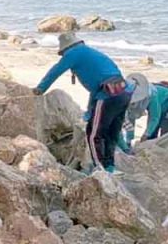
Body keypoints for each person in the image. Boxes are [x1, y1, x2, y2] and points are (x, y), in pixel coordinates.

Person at [33, 33, 132, 173]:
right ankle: (110, 166)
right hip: (124, 92)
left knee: (93, 134)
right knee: (112, 132)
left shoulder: (72, 53)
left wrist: (40, 89)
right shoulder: (91, 52)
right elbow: (97, 88)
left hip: (107, 95)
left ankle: (100, 169)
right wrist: (89, 112)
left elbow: (55, 71)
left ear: (65, 48)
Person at [120, 73, 168, 151]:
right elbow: (131, 118)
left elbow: (154, 117)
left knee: (163, 136)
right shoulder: (129, 95)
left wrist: (146, 134)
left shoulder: (151, 94)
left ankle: (164, 153)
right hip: (158, 106)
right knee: (152, 137)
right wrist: (128, 142)